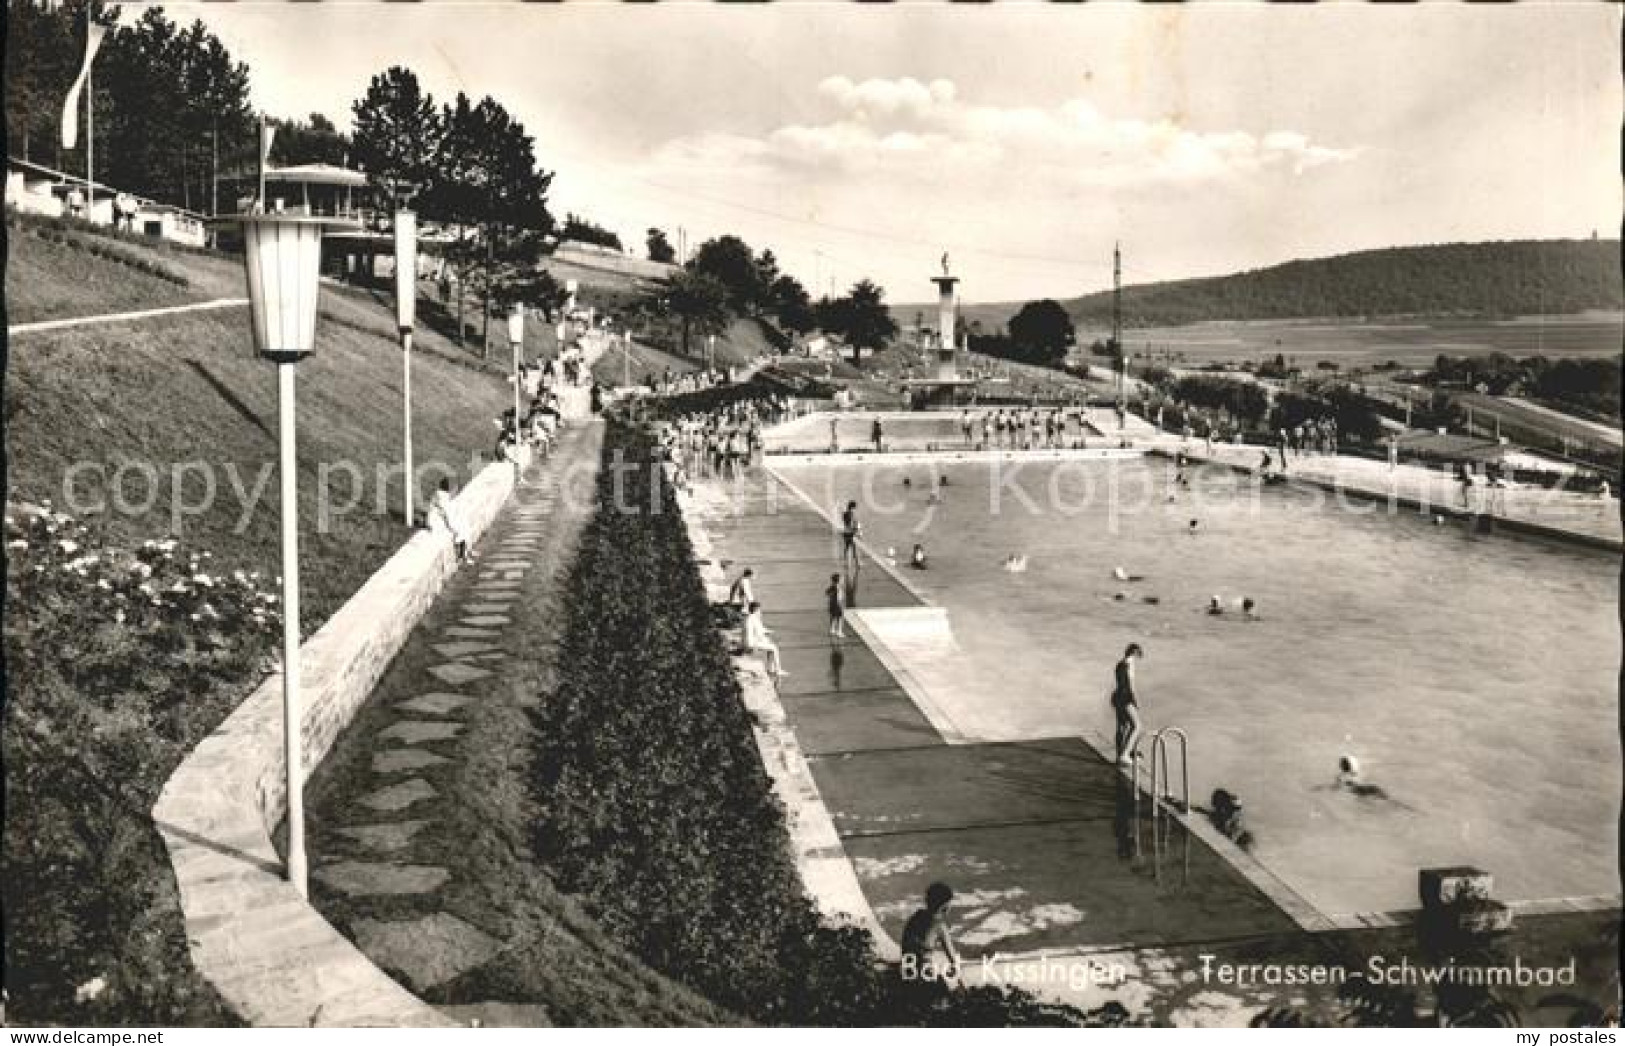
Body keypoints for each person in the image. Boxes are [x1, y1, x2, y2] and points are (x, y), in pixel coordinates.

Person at [899, 882, 962, 986]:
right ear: (945, 906)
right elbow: (953, 960)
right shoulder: (940, 926)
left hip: (907, 973)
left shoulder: (915, 918)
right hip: (924, 977)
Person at [1111, 643, 1144, 767]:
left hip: (1116, 697)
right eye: (1138, 654)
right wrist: (1136, 701)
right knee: (1137, 726)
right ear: (1135, 653)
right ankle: (1125, 755)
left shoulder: (1120, 663)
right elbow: (1131, 686)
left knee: (1122, 727)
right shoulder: (1130, 664)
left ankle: (1119, 756)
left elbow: (1120, 682)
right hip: (1125, 698)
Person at [428, 478, 470, 563]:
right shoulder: (443, 498)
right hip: (437, 522)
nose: (456, 491)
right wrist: (453, 527)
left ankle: (465, 552)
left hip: (439, 519)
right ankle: (462, 555)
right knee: (462, 528)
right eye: (454, 488)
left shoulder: (441, 495)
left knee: (463, 524)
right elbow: (447, 516)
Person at [742, 602, 787, 680]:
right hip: (751, 643)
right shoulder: (754, 619)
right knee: (774, 648)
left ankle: (770, 668)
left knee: (770, 647)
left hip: (748, 642)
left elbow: (759, 630)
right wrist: (766, 636)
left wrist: (767, 632)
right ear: (756, 610)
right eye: (759, 610)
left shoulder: (750, 618)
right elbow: (759, 633)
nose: (760, 612)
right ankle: (778, 670)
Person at [840, 500, 862, 570]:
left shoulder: (845, 514)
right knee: (854, 549)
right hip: (850, 533)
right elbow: (853, 524)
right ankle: (857, 564)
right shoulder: (851, 514)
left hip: (845, 532)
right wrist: (857, 531)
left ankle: (845, 563)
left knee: (846, 548)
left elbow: (846, 523)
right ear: (852, 507)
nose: (855, 509)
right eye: (854, 507)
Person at [826, 573, 847, 638]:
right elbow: (839, 597)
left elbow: (827, 592)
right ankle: (839, 631)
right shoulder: (839, 588)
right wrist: (840, 605)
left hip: (831, 604)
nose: (843, 581)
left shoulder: (832, 586)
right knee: (840, 618)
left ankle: (832, 629)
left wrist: (831, 597)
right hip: (837, 605)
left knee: (833, 617)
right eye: (842, 580)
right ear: (839, 581)